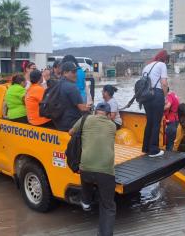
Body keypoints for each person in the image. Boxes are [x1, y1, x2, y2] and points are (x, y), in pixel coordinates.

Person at [69, 102, 116, 236]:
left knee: (87, 182)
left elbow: (70, 132)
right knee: (108, 206)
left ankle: (86, 202)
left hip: (85, 168)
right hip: (106, 172)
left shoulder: (85, 119)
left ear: (95, 112)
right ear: (108, 115)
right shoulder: (112, 126)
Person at [141, 50, 169, 157]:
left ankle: (146, 148)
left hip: (146, 96)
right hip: (156, 94)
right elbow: (164, 83)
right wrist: (165, 96)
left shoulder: (147, 66)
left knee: (150, 122)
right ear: (164, 58)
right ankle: (154, 150)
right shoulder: (162, 65)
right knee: (156, 122)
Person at [53, 62, 90, 131]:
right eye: (73, 72)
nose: (76, 74)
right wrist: (89, 106)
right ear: (65, 73)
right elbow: (82, 108)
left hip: (58, 123)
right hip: (71, 124)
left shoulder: (56, 84)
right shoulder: (72, 87)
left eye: (76, 72)